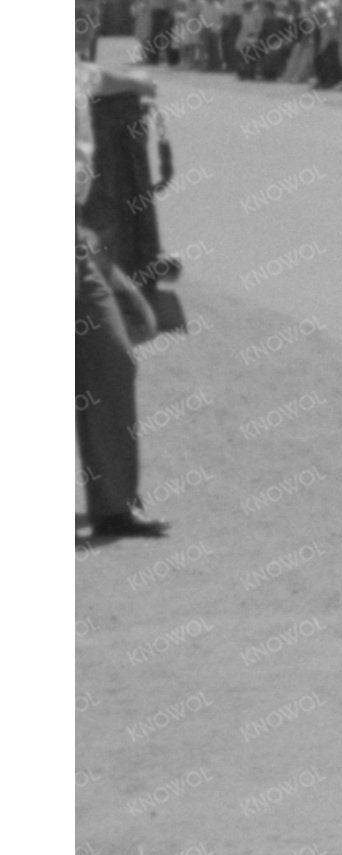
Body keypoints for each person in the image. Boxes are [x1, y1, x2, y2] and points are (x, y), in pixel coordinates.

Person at [77, 67, 167, 543]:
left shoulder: (71, 70)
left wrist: (140, 83)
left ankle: (114, 508)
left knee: (112, 361)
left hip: (74, 236)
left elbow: (98, 77)